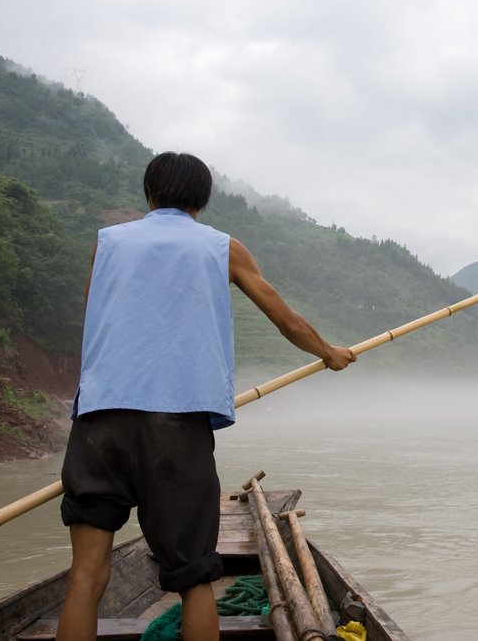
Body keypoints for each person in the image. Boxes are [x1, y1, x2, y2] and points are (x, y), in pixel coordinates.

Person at [56, 152, 356, 641]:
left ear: (149, 194)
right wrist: (328, 353)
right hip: (177, 425)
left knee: (86, 574)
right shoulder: (223, 248)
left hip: (99, 420)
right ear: (202, 199)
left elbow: (101, 316)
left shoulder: (108, 243)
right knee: (195, 577)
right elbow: (288, 322)